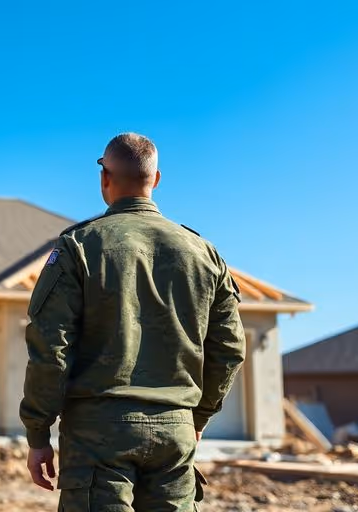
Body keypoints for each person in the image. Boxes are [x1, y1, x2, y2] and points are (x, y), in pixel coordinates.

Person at [21, 133, 246, 511]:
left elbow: (51, 346)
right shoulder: (204, 254)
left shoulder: (80, 246)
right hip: (175, 430)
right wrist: (197, 417)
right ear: (155, 179)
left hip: (98, 434)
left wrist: (38, 432)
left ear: (104, 178)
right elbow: (229, 348)